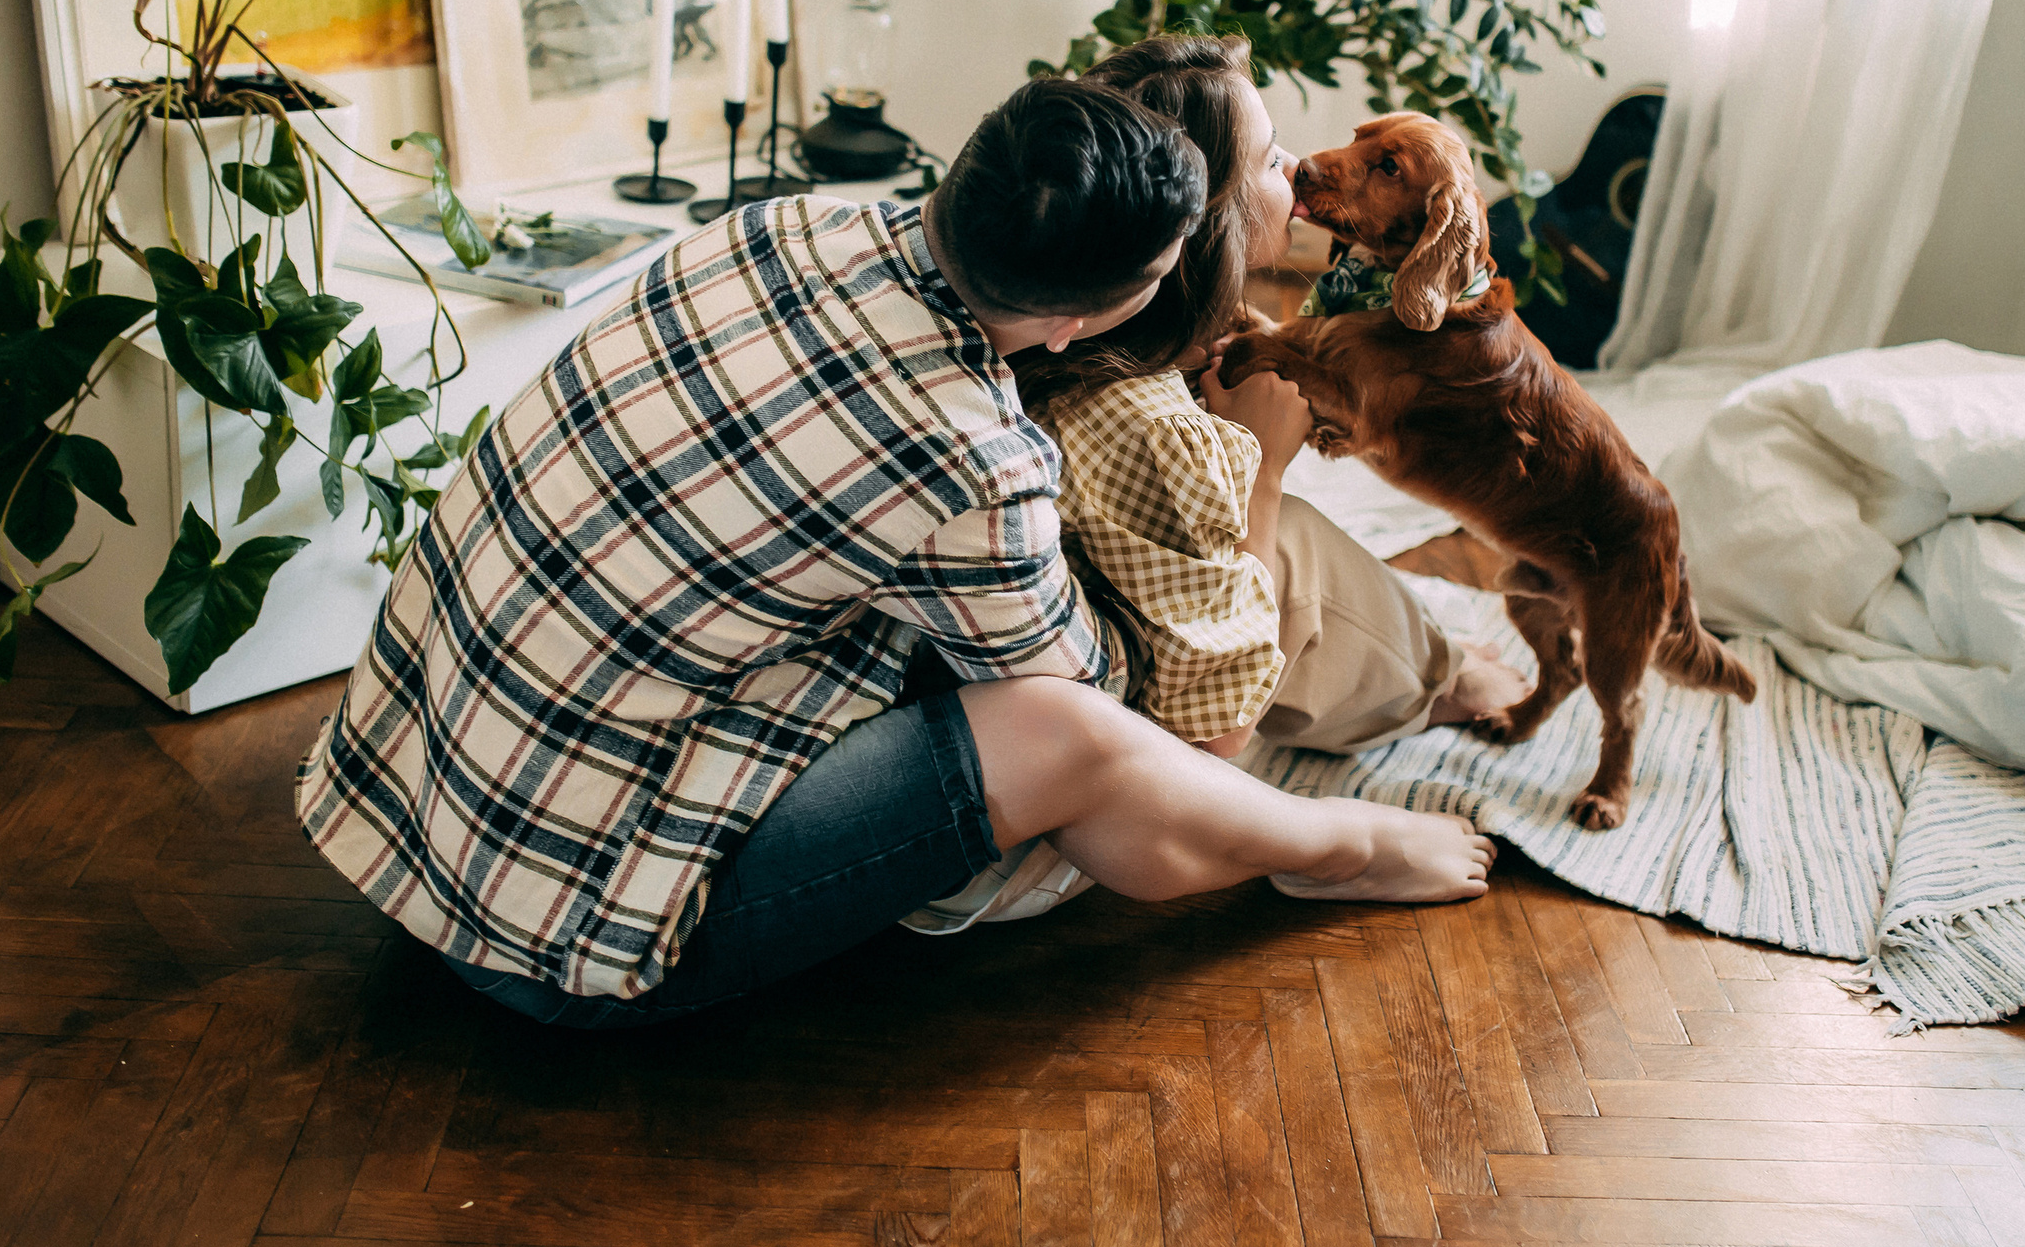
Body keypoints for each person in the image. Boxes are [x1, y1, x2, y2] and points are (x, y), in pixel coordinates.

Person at [297, 75, 1494, 1028]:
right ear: (1088, 320)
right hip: (554, 951)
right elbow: (1112, 725)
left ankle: (1404, 701)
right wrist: (1259, 477)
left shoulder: (768, 226)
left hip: (395, 822)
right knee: (1061, 729)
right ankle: (1355, 842)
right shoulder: (972, 455)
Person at [902, 39, 1528, 932]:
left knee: (1260, 547)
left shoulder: (1021, 282)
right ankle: (1436, 679)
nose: (1300, 165)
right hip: (1081, 816)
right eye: (1273, 158)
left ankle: (1434, 663)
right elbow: (1214, 732)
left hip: (979, 726)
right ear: (1201, 228)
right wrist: (1261, 466)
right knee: (1297, 549)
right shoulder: (1155, 429)